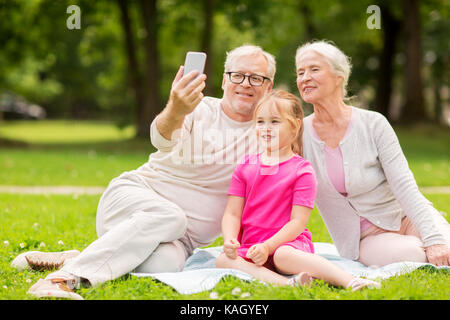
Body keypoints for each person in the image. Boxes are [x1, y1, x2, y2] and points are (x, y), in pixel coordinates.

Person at [12, 45, 276, 300]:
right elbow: (161, 140)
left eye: (256, 78)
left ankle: (80, 257)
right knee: (171, 216)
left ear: (269, 87)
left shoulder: (270, 134)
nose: (245, 83)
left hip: (178, 241)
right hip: (132, 200)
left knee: (164, 267)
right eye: (238, 75)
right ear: (223, 80)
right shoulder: (196, 107)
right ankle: (65, 277)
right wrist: (175, 108)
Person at [295, 40, 450, 267]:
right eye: (300, 72)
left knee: (444, 246)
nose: (304, 77)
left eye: (314, 69)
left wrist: (434, 238)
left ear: (339, 77)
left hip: (406, 218)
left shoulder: (374, 123)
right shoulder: (298, 135)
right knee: (415, 255)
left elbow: (404, 185)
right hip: (365, 239)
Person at [216, 89, 381, 291]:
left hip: (288, 245)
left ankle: (350, 280)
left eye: (275, 122)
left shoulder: (301, 171)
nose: (266, 128)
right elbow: (232, 213)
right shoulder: (245, 166)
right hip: (252, 247)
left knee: (282, 256)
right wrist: (230, 240)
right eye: (260, 122)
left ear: (294, 127)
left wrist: (269, 246)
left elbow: (298, 222)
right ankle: (289, 284)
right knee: (223, 260)